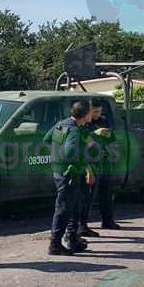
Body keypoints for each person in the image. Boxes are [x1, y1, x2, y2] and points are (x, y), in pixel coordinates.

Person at [44, 100, 94, 255]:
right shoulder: (74, 131)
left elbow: (46, 139)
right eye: (90, 112)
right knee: (64, 207)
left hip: (60, 171)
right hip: (69, 174)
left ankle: (72, 238)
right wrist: (86, 165)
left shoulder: (62, 124)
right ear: (85, 115)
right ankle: (55, 243)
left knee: (75, 204)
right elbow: (71, 152)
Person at [76, 101, 119, 238]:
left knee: (107, 192)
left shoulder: (104, 120)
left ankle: (107, 220)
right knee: (88, 195)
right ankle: (82, 225)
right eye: (94, 112)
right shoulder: (84, 123)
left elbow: (112, 138)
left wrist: (108, 138)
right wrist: (95, 133)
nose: (97, 114)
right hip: (90, 162)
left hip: (104, 160)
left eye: (99, 111)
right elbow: (83, 140)